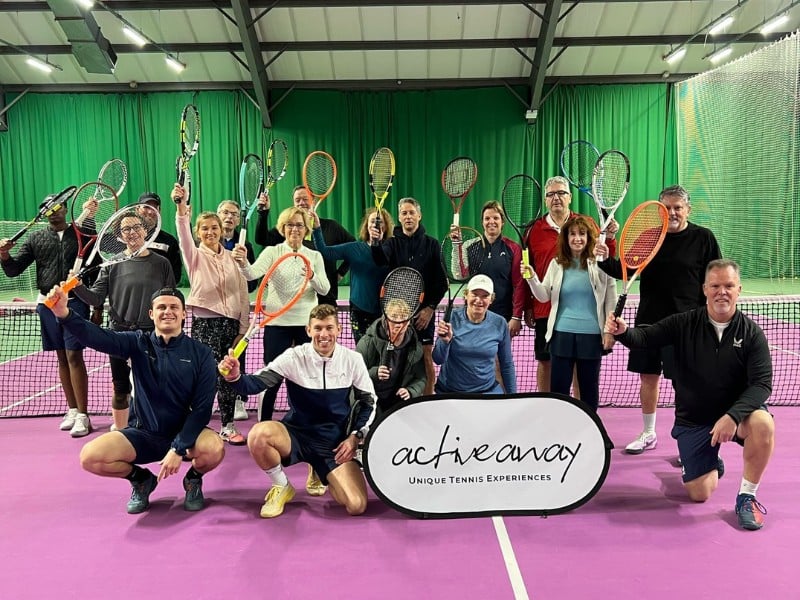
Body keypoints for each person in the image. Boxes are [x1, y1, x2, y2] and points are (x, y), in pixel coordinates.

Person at [605, 259, 773, 530]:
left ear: (739, 289)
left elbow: (762, 385)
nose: (722, 292)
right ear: (704, 289)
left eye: (729, 286)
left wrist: (732, 416)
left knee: (763, 424)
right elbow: (646, 338)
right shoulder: (684, 323)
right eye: (715, 285)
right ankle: (710, 461)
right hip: (694, 419)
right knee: (699, 494)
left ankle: (747, 497)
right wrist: (624, 332)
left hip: (736, 417)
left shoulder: (752, 334)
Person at [46, 285, 224, 514]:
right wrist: (64, 314)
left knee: (214, 448)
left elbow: (202, 409)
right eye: (161, 307)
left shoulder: (202, 354)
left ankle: (193, 480)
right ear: (151, 314)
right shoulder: (137, 343)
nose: (167, 311)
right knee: (90, 457)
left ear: (183, 313)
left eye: (173, 307)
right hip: (143, 434)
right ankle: (141, 480)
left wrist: (179, 448)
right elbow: (97, 337)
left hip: (185, 434)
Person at [219, 304, 377, 518]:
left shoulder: (352, 360)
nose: (324, 334)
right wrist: (235, 377)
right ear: (308, 330)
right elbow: (256, 383)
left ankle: (320, 469)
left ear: (339, 330)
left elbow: (368, 401)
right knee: (258, 435)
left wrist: (354, 436)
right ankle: (282, 485)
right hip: (296, 434)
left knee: (356, 505)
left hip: (333, 443)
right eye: (318, 328)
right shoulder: (293, 357)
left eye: (329, 328)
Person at [597, 185, 721, 454]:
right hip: (649, 323)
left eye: (678, 207)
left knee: (686, 383)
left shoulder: (704, 238)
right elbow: (625, 269)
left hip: (688, 325)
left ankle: (687, 438)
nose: (673, 213)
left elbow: (715, 279)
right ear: (660, 211)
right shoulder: (650, 237)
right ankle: (649, 432)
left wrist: (712, 319)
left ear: (688, 209)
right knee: (648, 377)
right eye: (667, 208)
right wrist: (604, 258)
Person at [72, 207, 175, 431]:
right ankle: (120, 433)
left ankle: (159, 431)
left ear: (145, 230)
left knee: (156, 387)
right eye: (125, 229)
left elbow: (170, 300)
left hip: (151, 336)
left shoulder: (161, 264)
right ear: (119, 235)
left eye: (136, 227)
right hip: (118, 335)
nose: (131, 232)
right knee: (120, 389)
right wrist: (78, 287)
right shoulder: (112, 264)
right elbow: (96, 297)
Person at [0, 201, 96, 437]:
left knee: (74, 355)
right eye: (48, 209)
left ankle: (83, 415)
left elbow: (94, 265)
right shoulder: (36, 238)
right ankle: (72, 409)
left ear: (65, 209)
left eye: (57, 207)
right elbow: (14, 270)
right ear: (43, 213)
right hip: (47, 304)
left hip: (74, 302)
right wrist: (3, 254)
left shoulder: (82, 233)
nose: (54, 212)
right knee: (61, 356)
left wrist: (96, 305)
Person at [520, 176, 617, 394]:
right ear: (545, 200)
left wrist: (610, 236)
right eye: (551, 194)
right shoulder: (533, 231)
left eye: (561, 193)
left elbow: (606, 262)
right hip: (548, 313)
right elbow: (531, 272)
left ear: (570, 197)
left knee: (582, 373)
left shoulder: (587, 223)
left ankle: (581, 414)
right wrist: (527, 306)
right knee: (545, 363)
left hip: (588, 323)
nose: (556, 198)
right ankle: (548, 407)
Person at [233, 206, 330, 423]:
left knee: (307, 377)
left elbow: (324, 289)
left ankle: (308, 424)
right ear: (282, 228)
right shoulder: (272, 252)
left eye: (299, 225)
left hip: (306, 325)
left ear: (306, 229)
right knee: (272, 378)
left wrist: (313, 275)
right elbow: (252, 273)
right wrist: (242, 263)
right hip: (277, 324)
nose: (294, 229)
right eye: (289, 225)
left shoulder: (314, 256)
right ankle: (264, 425)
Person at [174, 184, 250, 446]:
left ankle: (228, 426)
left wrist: (243, 328)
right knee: (204, 376)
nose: (210, 232)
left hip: (231, 327)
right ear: (198, 232)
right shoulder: (193, 256)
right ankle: (197, 426)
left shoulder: (233, 258)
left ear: (221, 231)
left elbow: (242, 293)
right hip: (204, 326)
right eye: (204, 228)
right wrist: (181, 209)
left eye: (214, 228)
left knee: (228, 375)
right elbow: (182, 232)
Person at [371, 197, 448, 395]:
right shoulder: (391, 243)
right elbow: (379, 260)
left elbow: (441, 282)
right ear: (399, 217)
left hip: (423, 315)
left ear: (419, 216)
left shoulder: (432, 244)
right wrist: (375, 242)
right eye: (404, 213)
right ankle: (398, 399)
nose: (408, 217)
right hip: (396, 314)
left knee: (425, 357)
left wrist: (430, 308)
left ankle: (428, 401)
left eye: (411, 212)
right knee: (398, 357)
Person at [254, 185, 354, 306]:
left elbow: (353, 248)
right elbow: (261, 239)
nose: (301, 203)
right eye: (297, 200)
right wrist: (263, 213)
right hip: (295, 302)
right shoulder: (287, 229)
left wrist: (341, 272)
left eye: (305, 199)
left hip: (326, 298)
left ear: (314, 200)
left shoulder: (332, 227)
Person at [311, 206, 393, 342]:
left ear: (386, 227)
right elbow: (325, 252)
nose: (375, 224)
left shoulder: (392, 249)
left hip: (385, 312)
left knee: (382, 352)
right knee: (362, 352)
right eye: (372, 221)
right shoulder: (354, 248)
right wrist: (317, 229)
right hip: (358, 311)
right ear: (366, 225)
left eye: (380, 222)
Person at [433, 274, 516, 394]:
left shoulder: (500, 323)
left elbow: (507, 364)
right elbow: (438, 359)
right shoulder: (451, 318)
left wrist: (513, 397)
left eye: (485, 296)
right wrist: (445, 341)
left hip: (487, 391)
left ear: (491, 299)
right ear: (466, 295)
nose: (479, 300)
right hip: (450, 392)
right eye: (475, 294)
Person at [217, 199, 257, 422]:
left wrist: (241, 265)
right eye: (225, 213)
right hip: (214, 310)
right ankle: (217, 399)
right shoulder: (209, 242)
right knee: (212, 356)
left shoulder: (245, 245)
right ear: (218, 215)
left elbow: (251, 284)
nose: (229, 217)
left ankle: (239, 399)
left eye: (233, 214)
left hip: (237, 309)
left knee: (238, 351)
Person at [453, 200, 523, 327]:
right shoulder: (469, 246)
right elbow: (460, 275)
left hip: (502, 316)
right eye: (487, 218)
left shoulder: (513, 248)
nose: (491, 221)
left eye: (496, 218)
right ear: (482, 222)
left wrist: (516, 316)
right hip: (473, 313)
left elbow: (519, 284)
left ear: (502, 222)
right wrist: (456, 245)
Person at [356, 298, 426, 415]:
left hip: (397, 403)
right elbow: (354, 376)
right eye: (393, 317)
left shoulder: (415, 347)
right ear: (385, 319)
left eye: (403, 318)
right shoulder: (367, 343)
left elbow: (421, 378)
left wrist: (411, 391)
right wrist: (374, 373)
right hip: (370, 401)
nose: (398, 323)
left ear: (409, 322)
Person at [137, 192, 182, 284]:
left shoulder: (170, 241)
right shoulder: (125, 238)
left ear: (159, 211)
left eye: (154, 208)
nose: (150, 212)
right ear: (137, 209)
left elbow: (175, 276)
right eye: (146, 207)